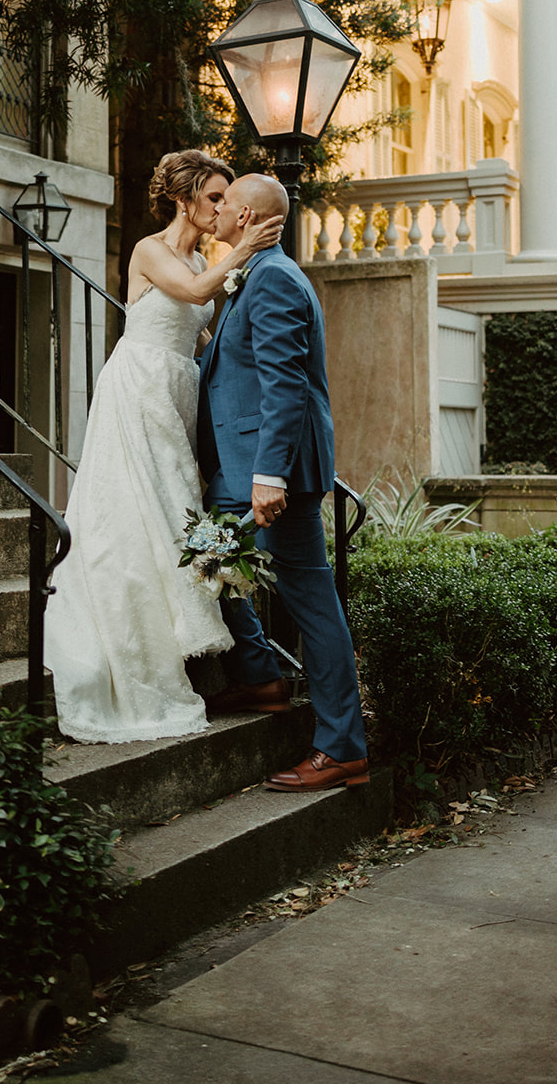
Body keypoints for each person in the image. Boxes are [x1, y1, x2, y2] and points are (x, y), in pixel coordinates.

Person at [44, 150, 284, 744]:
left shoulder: (205, 256)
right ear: (184, 199)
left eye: (228, 200)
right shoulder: (151, 249)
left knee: (176, 508)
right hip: (141, 386)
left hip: (180, 387)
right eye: (213, 198)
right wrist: (249, 245)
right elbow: (195, 289)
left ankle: (214, 651)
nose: (223, 208)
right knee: (150, 509)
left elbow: (199, 326)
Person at [197, 173, 370, 791]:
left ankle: (342, 747)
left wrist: (270, 475)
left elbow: (286, 385)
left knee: (313, 606)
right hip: (236, 469)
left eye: (224, 203)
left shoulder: (272, 279)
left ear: (245, 216)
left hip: (273, 476)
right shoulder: (253, 276)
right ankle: (259, 673)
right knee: (208, 559)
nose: (213, 211)